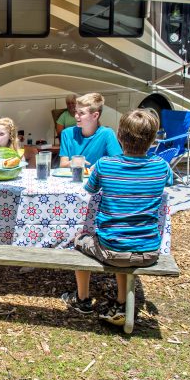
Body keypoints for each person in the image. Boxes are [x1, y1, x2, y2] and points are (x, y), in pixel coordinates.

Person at [61, 109, 173, 326]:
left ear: (119, 136)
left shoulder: (105, 164)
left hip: (113, 248)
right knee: (124, 240)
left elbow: (90, 189)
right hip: (149, 249)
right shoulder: (161, 166)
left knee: (80, 238)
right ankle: (122, 303)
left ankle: (82, 298)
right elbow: (168, 181)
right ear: (152, 140)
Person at [59, 92, 123, 168]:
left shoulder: (107, 134)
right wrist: (75, 162)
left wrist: (101, 165)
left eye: (81, 113)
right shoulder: (67, 133)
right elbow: (62, 165)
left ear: (95, 116)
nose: (76, 116)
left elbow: (119, 162)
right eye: (76, 111)